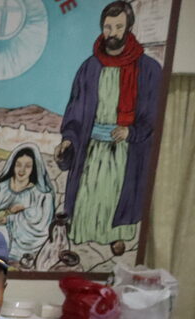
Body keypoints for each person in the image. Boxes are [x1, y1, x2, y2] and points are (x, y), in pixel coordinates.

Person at [55, 1, 162, 252]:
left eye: (118, 27)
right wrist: (69, 138)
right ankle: (84, 232)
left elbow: (153, 113)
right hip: (92, 146)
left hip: (123, 148)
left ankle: (116, 235)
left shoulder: (148, 69)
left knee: (115, 194)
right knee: (89, 191)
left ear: (129, 27)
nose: (112, 33)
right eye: (107, 27)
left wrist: (130, 131)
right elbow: (76, 108)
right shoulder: (90, 67)